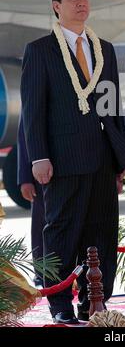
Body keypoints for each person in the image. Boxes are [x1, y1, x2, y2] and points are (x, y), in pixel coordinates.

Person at [20, 0, 125, 324]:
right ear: (57, 6)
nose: (81, 3)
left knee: (101, 230)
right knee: (61, 232)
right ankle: (59, 306)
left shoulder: (104, 49)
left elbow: (114, 107)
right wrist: (38, 157)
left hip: (101, 157)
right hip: (62, 159)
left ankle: (94, 302)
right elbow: (33, 110)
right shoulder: (40, 50)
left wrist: (121, 158)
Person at [17, 115, 45, 288]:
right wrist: (25, 177)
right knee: (41, 224)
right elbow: (24, 132)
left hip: (76, 166)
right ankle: (42, 273)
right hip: (40, 173)